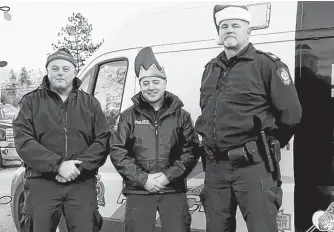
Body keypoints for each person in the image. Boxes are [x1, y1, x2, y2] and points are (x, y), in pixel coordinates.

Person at [195, 5, 302, 232]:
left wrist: (265, 146)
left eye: (235, 25)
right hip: (215, 170)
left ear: (248, 30)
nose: (229, 30)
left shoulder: (267, 65)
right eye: (224, 26)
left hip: (253, 168)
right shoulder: (211, 68)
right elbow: (207, 110)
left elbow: (292, 115)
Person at [13, 48, 110, 232]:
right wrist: (58, 165)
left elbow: (103, 140)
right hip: (42, 183)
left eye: (66, 68)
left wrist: (77, 168)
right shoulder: (30, 102)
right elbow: (23, 141)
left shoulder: (90, 104)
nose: (60, 72)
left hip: (81, 183)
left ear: (74, 72)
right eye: (55, 68)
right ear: (47, 71)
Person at [110, 47, 199, 232]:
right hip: (139, 192)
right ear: (140, 86)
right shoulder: (128, 117)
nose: (151, 87)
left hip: (173, 191)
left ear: (165, 83)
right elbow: (118, 152)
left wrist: (168, 176)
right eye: (146, 82)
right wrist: (144, 179)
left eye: (156, 81)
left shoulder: (182, 116)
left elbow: (191, 150)